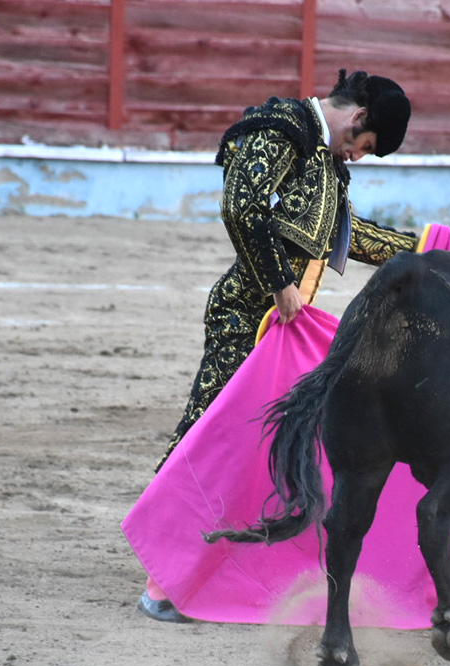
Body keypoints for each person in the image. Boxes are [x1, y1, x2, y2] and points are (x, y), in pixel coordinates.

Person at [137, 69, 420, 621]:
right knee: (211, 434)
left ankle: (225, 568)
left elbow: (348, 234)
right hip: (245, 317)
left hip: (283, 329)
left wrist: (423, 251)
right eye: (364, 146)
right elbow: (241, 206)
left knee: (275, 447)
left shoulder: (327, 163)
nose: (359, 157)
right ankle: (162, 578)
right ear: (358, 118)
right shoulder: (280, 128)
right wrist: (278, 281)